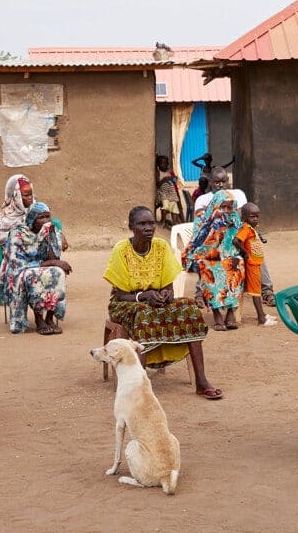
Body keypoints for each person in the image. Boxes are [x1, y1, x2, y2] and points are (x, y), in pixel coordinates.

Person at [104, 206, 223, 399]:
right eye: (142, 224)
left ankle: (201, 381)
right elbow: (121, 294)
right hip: (126, 303)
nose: (148, 228)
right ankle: (140, 386)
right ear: (131, 227)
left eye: (151, 223)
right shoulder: (121, 250)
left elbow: (168, 287)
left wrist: (166, 295)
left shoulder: (161, 247)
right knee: (144, 313)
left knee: (189, 308)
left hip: (153, 302)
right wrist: (144, 296)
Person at [192, 165, 277, 306]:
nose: (220, 185)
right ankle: (200, 293)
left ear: (228, 181)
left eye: (223, 181)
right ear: (210, 182)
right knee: (208, 256)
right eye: (216, 182)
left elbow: (245, 218)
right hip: (214, 240)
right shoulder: (203, 199)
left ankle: (267, 291)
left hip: (236, 238)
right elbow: (201, 224)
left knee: (255, 252)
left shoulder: (238, 194)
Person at [1, 202, 71, 335]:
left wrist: (49, 236)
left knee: (58, 273)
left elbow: (53, 257)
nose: (45, 220)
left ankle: (49, 318)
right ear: (32, 218)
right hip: (20, 270)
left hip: (42, 266)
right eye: (41, 217)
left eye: (47, 216)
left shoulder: (49, 231)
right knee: (34, 276)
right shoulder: (18, 233)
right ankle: (39, 320)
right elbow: (17, 263)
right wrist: (53, 262)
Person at [183, 191, 246, 331]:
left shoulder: (234, 219)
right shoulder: (203, 220)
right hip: (207, 254)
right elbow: (198, 242)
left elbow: (236, 240)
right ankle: (216, 313)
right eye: (223, 207)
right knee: (208, 267)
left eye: (229, 208)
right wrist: (214, 226)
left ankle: (230, 312)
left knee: (238, 263)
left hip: (228, 254)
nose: (226, 211)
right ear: (216, 205)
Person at [233, 203, 277, 326]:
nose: (256, 219)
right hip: (252, 264)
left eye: (257, 216)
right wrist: (245, 252)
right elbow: (236, 241)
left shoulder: (250, 228)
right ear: (244, 217)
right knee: (256, 292)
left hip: (256, 263)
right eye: (252, 217)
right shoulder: (246, 229)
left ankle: (263, 315)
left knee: (257, 290)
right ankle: (261, 319)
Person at [154, 155, 185, 227]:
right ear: (158, 165)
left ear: (167, 164)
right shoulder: (158, 172)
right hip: (163, 193)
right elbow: (158, 184)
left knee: (174, 207)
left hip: (172, 193)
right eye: (161, 163)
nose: (163, 165)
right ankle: (163, 221)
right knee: (165, 206)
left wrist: (174, 179)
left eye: (165, 163)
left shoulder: (169, 172)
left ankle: (175, 223)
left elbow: (175, 181)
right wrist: (165, 179)